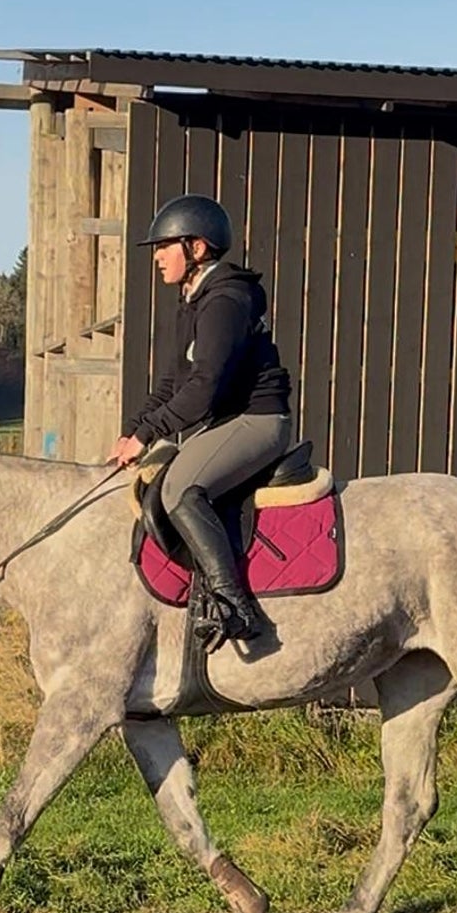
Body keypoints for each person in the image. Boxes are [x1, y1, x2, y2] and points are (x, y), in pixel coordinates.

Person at [109, 194, 292, 649]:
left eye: (164, 246)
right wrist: (133, 430)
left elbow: (205, 386)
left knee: (179, 491)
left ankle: (234, 606)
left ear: (197, 248)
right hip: (230, 421)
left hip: (257, 420)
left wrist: (151, 433)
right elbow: (175, 379)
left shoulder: (225, 300)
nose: (156, 258)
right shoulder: (195, 299)